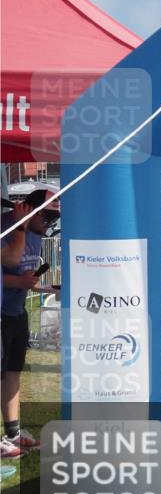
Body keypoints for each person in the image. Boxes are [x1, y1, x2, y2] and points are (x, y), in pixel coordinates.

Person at [1, 190, 58, 457]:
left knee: (13, 371)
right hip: (2, 312)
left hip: (16, 311)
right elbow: (10, 261)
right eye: (47, 216)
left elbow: (24, 273)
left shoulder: (34, 236)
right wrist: (20, 227)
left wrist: (42, 287)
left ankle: (12, 432)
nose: (49, 224)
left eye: (53, 219)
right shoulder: (6, 227)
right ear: (31, 209)